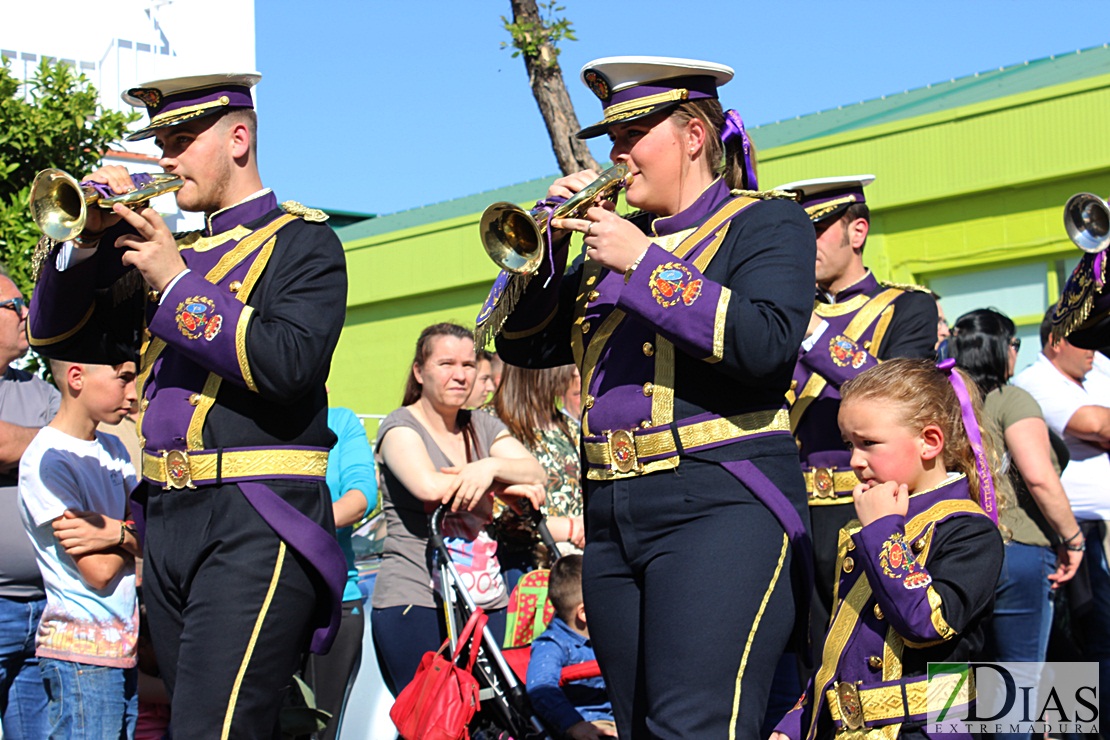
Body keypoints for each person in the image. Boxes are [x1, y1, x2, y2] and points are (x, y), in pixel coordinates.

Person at [479, 56, 815, 737]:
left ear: (695, 135)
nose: (617, 154)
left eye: (634, 133)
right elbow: (514, 343)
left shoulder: (766, 225)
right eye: (611, 138)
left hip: (721, 499)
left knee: (694, 728)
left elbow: (766, 343)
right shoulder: (611, 250)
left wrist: (641, 262)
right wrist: (549, 248)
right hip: (614, 513)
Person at [26, 71, 349, 736]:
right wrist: (86, 240)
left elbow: (288, 365)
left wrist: (175, 281)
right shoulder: (165, 252)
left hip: (256, 517)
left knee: (212, 728)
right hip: (168, 524)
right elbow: (56, 334)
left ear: (238, 138)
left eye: (181, 139)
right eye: (161, 141)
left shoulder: (303, 242)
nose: (166, 159)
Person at [773, 358, 1005, 740]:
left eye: (869, 443)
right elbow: (842, 644)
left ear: (930, 442)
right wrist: (797, 723)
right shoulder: (869, 525)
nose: (854, 461)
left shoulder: (970, 530)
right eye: (849, 444)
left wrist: (882, 531)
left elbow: (927, 624)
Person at [775, 175, 939, 645]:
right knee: (802, 656)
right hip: (791, 509)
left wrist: (805, 329)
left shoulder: (907, 307)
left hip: (868, 504)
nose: (803, 248)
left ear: (857, 232)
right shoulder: (784, 311)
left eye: (816, 231)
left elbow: (897, 392)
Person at [371, 323, 544, 696]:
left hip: (483, 596)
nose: (460, 374)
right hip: (416, 598)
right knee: (432, 722)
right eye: (446, 363)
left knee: (494, 717)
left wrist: (489, 468)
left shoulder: (482, 424)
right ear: (419, 371)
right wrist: (501, 485)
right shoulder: (399, 425)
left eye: (468, 365)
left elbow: (535, 471)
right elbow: (429, 486)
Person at [950, 308, 1083, 740]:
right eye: (1014, 345)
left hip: (957, 555)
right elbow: (1040, 476)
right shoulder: (1013, 398)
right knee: (1017, 691)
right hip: (1020, 550)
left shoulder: (942, 400)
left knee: (958, 688)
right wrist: (1074, 539)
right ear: (1001, 350)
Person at [19, 353, 141, 739]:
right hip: (81, 657)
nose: (134, 395)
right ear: (76, 377)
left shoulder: (115, 450)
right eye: (124, 379)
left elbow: (155, 533)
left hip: (122, 648)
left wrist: (113, 534)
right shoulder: (47, 461)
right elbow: (99, 571)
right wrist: (131, 539)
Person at [1013, 305, 1110, 726]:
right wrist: (1071, 539)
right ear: (1056, 341)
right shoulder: (1030, 386)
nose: (1093, 350)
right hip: (1058, 536)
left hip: (1087, 533)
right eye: (1083, 339)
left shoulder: (1098, 368)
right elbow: (1096, 425)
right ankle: (1084, 729)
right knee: (1071, 646)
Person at [0, 271, 59, 740]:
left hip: (44, 608)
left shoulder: (39, 390)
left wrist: (31, 447)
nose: (25, 314)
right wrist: (39, 445)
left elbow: (72, 449)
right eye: (12, 305)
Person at [302, 406, 377, 740]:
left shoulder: (339, 422)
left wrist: (295, 527)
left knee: (320, 731)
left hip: (335, 603)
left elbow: (361, 496)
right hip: (262, 599)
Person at [489, 364, 585, 578]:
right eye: (563, 365)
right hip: (522, 568)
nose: (573, 373)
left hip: (574, 565)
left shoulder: (569, 426)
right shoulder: (490, 424)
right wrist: (572, 529)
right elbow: (496, 510)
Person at [526, 554, 615, 740]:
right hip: (590, 722)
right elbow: (540, 687)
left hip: (622, 711)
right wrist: (573, 723)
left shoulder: (609, 633)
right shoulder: (553, 645)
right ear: (583, 612)